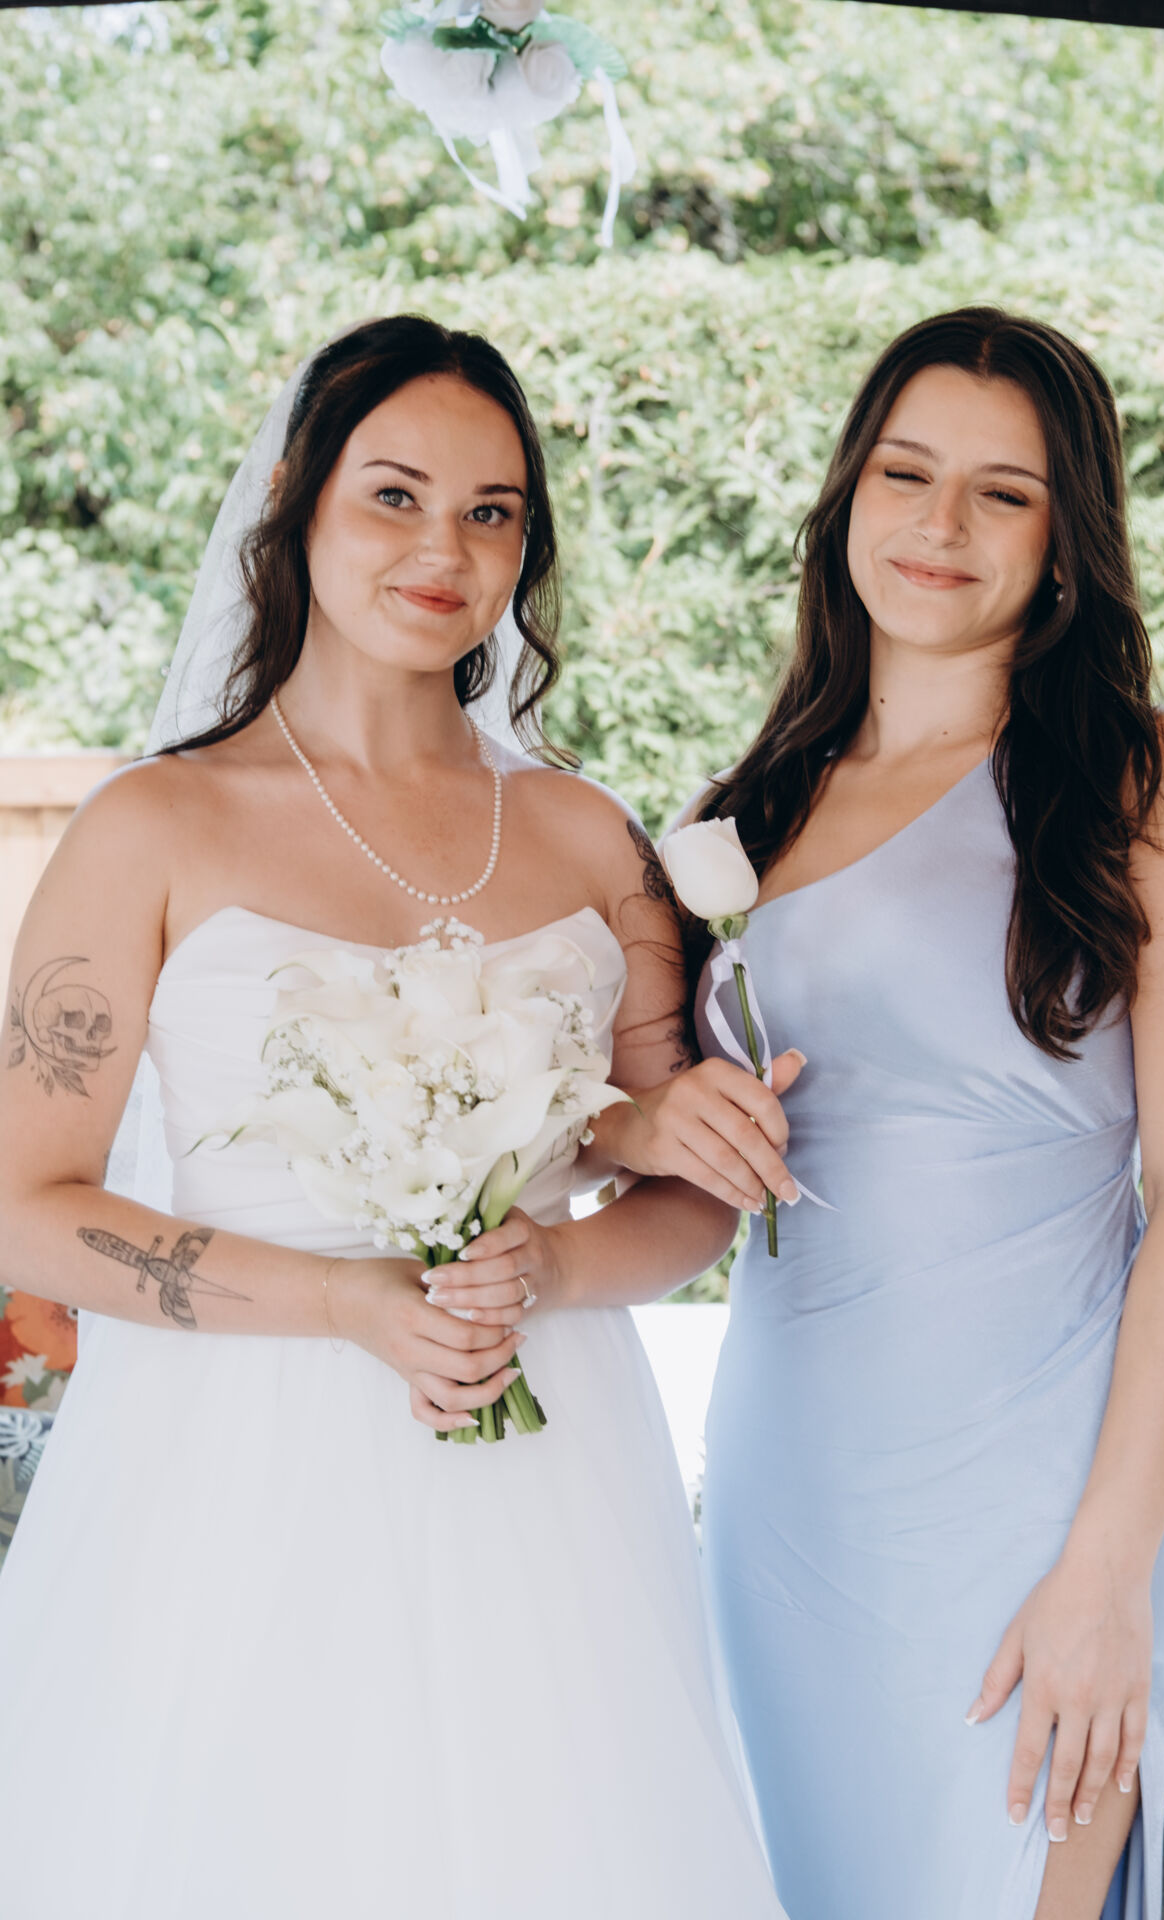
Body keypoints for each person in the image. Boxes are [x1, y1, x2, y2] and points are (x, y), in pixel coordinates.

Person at [0, 316, 794, 1920]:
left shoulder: (590, 836)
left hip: (546, 1467)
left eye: (493, 512)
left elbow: (689, 1187)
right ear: (294, 504)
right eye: (396, 496)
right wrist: (350, 1305)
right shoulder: (153, 824)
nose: (446, 550)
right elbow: (23, 1205)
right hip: (228, 1475)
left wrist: (559, 1255)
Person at [619, 307, 1164, 1920]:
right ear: (848, 495)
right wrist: (627, 1140)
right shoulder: (737, 813)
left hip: (1041, 1491)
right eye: (905, 473)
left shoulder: (1157, 782)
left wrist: (1108, 1567)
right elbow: (671, 1173)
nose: (940, 524)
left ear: (1065, 540)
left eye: (1004, 492)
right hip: (788, 1484)